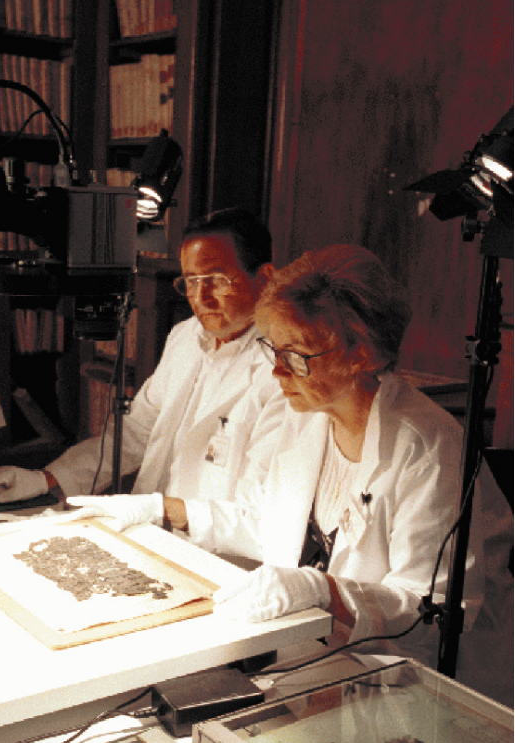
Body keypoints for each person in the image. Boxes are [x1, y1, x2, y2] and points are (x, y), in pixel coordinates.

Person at [73, 245, 513, 706]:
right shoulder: (307, 416)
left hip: (433, 686)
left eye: (296, 355)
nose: (278, 371)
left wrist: (322, 590)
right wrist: (163, 510)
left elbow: (432, 612)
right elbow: (267, 523)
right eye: (274, 350)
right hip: (330, 657)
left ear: (361, 353)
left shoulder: (426, 446)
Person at [0, 208, 287, 520]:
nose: (201, 298)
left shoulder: (287, 370)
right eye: (191, 281)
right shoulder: (186, 337)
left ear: (265, 278)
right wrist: (45, 479)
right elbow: (135, 432)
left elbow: (255, 516)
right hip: (151, 528)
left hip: (212, 548)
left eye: (217, 279)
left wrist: (156, 514)